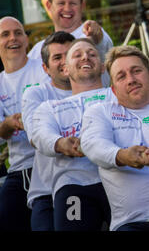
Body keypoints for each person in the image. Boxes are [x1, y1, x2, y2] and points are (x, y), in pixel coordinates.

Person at [80, 45, 149, 231]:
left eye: (136, 71)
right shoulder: (100, 112)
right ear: (113, 90)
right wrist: (122, 156)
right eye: (121, 76)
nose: (131, 80)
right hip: (129, 224)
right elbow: (93, 145)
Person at [32, 38, 112, 231]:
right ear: (66, 69)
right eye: (77, 55)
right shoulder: (49, 107)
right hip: (74, 186)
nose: (85, 56)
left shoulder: (118, 97)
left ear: (102, 67)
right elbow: (40, 135)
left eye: (92, 54)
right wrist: (60, 143)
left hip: (119, 181)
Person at [21, 31, 75, 231]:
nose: (65, 61)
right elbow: (34, 134)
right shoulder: (36, 93)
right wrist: (60, 143)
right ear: (45, 67)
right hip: (47, 191)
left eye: (70, 54)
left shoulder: (94, 90)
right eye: (57, 57)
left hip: (90, 188)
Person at [0, 16, 50, 231]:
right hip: (20, 168)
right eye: (5, 34)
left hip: (51, 163)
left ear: (26, 40)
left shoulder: (43, 69)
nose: (13, 38)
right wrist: (8, 124)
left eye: (18, 33)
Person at [27, 0, 113, 87]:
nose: (67, 9)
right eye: (61, 3)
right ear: (49, 6)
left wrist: (96, 35)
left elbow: (101, 43)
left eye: (73, 3)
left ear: (82, 6)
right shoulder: (37, 50)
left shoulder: (91, 36)